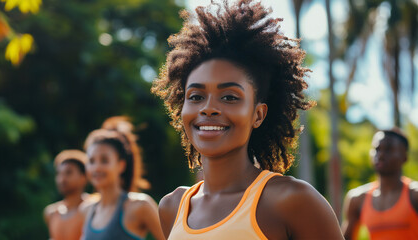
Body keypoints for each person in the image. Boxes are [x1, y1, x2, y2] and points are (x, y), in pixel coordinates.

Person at [151, 1, 344, 239]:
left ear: (258, 114)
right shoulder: (172, 207)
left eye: (230, 97)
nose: (209, 108)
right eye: (196, 96)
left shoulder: (292, 201)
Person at [81, 117, 164, 240]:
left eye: (104, 160)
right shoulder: (86, 209)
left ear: (121, 165)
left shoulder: (140, 206)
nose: (96, 168)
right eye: (92, 161)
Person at [342, 128, 418, 240]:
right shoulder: (357, 199)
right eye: (377, 149)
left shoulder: (414, 195)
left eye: (388, 149)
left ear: (404, 157)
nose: (381, 155)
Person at [44, 149, 89, 240]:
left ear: (83, 177)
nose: (62, 179)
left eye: (68, 173)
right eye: (59, 174)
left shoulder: (93, 209)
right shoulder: (51, 213)